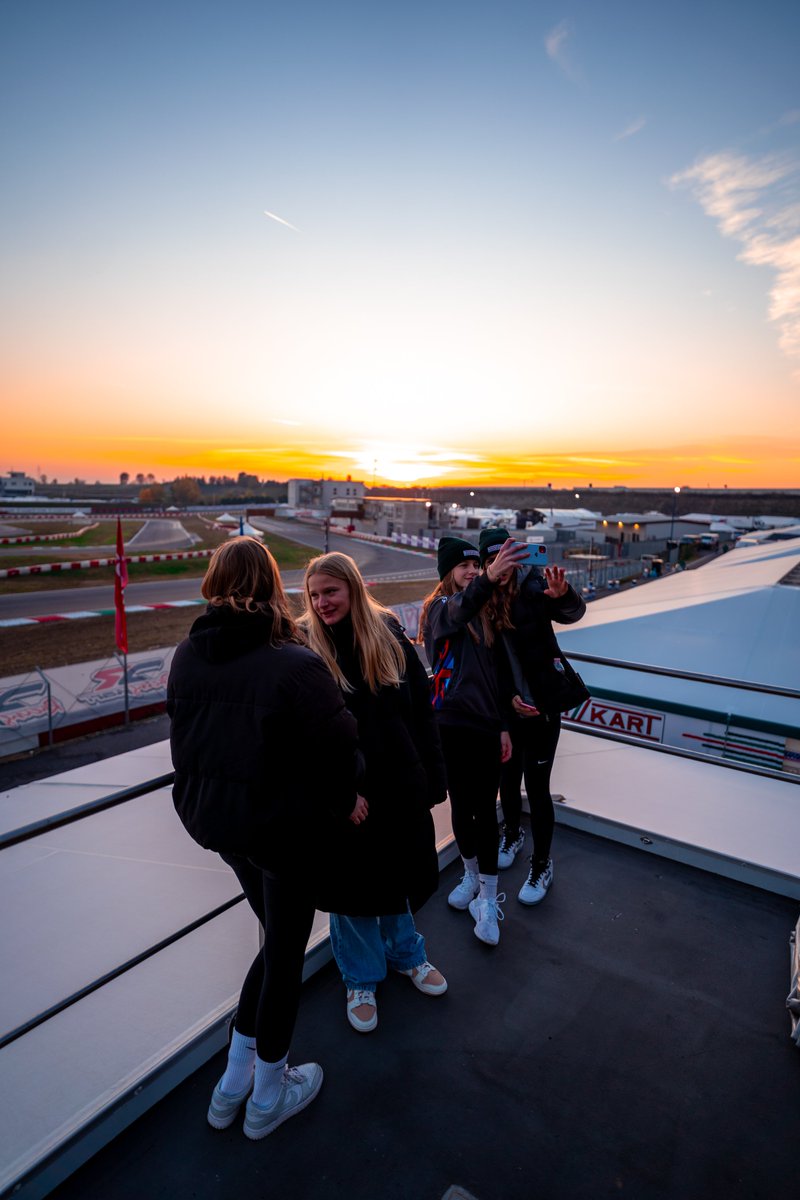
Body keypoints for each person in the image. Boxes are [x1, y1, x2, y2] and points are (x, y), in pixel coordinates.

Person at [167, 537, 360, 1138]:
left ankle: (231, 1086)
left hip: (220, 825)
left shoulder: (186, 656)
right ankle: (268, 1094)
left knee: (275, 943)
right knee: (283, 954)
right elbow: (341, 751)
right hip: (282, 835)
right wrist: (343, 801)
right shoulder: (295, 664)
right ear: (273, 586)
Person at [300, 551, 449, 1034]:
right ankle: (361, 977)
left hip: (399, 783)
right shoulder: (305, 648)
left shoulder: (387, 634)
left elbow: (422, 711)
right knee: (353, 889)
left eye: (331, 592)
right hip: (350, 797)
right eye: (315, 594)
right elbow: (306, 738)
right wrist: (340, 795)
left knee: (398, 875)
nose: (322, 603)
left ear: (353, 589)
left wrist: (431, 774)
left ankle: (409, 955)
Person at [419, 534, 527, 946]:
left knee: (485, 811)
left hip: (483, 726)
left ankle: (486, 896)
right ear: (448, 572)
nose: (472, 571)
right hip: (449, 724)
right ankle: (468, 875)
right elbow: (459, 609)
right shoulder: (440, 609)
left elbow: (493, 678)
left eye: (475, 566)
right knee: (462, 809)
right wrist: (488, 579)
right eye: (463, 566)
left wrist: (502, 723)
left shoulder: (482, 612)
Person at [477, 527, 586, 905]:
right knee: (507, 779)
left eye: (504, 557)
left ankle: (542, 864)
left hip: (541, 709)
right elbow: (492, 662)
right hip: (508, 709)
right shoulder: (483, 595)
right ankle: (512, 832)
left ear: (516, 556)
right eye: (491, 561)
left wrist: (564, 595)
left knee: (537, 788)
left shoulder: (535, 585)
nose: (499, 567)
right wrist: (509, 699)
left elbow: (572, 612)